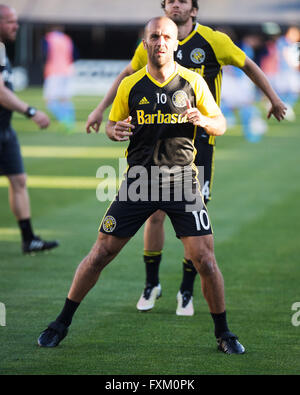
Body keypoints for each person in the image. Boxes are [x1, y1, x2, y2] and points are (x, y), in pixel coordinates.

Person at [38, 16, 245, 354]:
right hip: (140, 181)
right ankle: (60, 322)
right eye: (154, 37)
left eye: (166, 37)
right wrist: (113, 130)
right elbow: (112, 124)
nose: (160, 42)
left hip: (182, 181)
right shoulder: (130, 85)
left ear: (176, 43)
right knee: (101, 252)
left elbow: (219, 123)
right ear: (145, 42)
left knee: (205, 260)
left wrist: (205, 120)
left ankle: (224, 333)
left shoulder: (193, 82)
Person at [86, 0, 287, 316]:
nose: (175, 5)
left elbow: (247, 64)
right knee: (154, 215)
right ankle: (152, 283)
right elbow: (128, 73)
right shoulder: (155, 39)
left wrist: (273, 98)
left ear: (194, 10)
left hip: (199, 143)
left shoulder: (213, 40)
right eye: (170, 1)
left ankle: (186, 290)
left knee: (194, 224)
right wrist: (100, 111)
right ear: (164, 8)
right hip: (153, 144)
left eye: (182, 1)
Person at [0, 4, 59, 254]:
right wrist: (31, 111)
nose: (16, 26)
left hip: (5, 129)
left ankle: (28, 239)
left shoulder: (2, 48)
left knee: (18, 180)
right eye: (11, 21)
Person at [43, 25, 76, 132]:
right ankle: (70, 122)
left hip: (54, 71)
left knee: (49, 101)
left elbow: (45, 53)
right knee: (65, 99)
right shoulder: (67, 39)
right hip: (67, 70)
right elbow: (74, 54)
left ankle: (65, 121)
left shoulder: (49, 38)